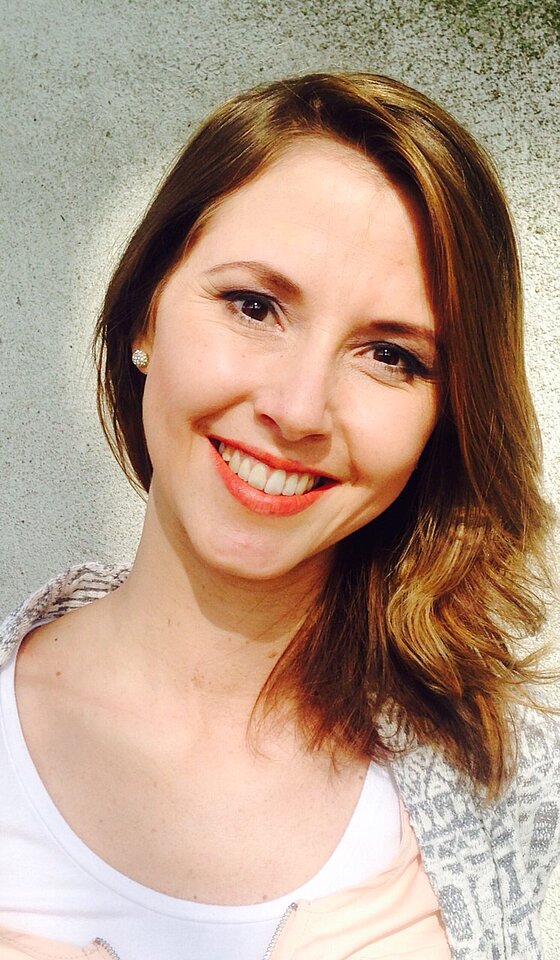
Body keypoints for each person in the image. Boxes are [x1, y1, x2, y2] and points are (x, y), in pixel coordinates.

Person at [0, 72, 558, 960]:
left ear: (444, 417)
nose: (299, 409)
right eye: (254, 306)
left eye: (390, 355)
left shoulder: (511, 782)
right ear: (145, 313)